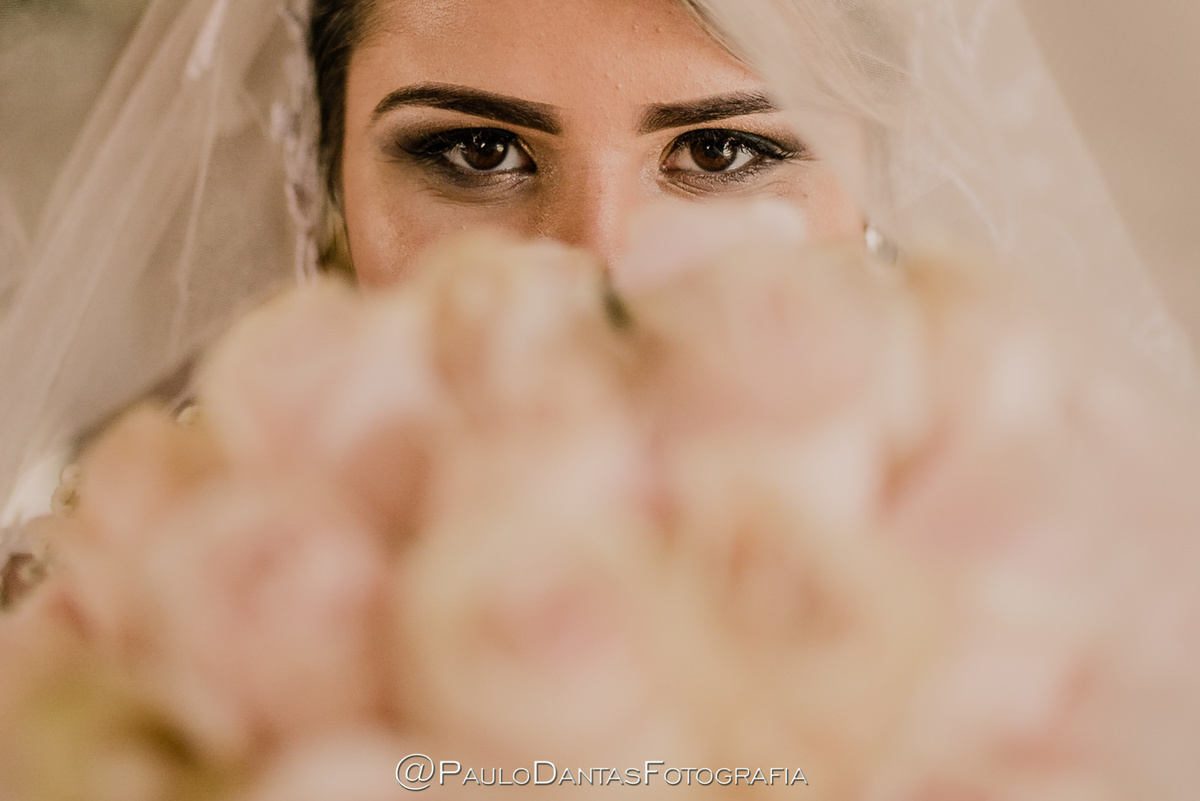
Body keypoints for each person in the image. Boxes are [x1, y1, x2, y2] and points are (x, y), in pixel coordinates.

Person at [0, 1, 1191, 557]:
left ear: (879, 181)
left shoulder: (1060, 610)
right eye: (478, 152)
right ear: (326, 181)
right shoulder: (150, 606)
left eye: (721, 154)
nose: (599, 271)